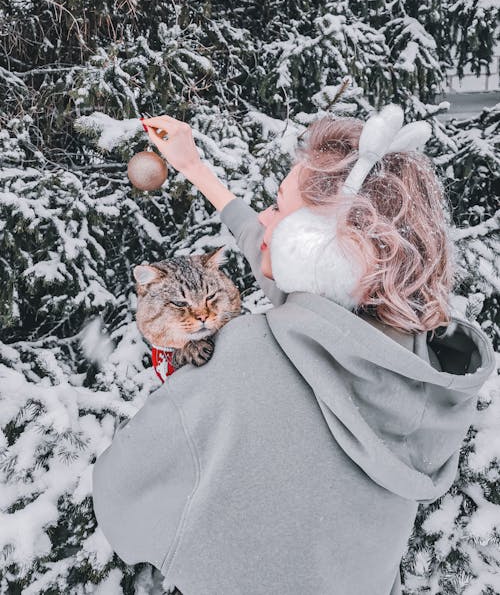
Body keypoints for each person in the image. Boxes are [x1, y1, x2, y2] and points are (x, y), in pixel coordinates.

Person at [92, 106, 495, 595]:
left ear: (319, 247)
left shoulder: (243, 358)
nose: (263, 220)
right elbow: (288, 268)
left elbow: (120, 502)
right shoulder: (421, 364)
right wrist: (195, 168)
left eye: (278, 209)